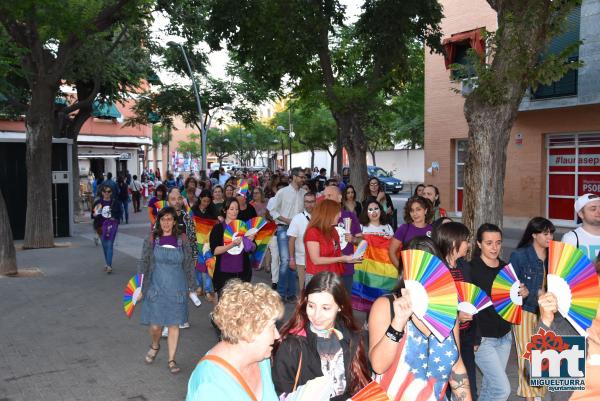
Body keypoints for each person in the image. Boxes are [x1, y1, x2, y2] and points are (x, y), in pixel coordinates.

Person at [368, 236, 472, 401]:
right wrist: (398, 322)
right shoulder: (386, 306)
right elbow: (378, 366)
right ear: (406, 271)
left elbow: (457, 366)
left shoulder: (448, 312)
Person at [272, 272, 371, 401]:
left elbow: (360, 386)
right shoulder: (291, 346)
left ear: (340, 307)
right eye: (311, 306)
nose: (316, 316)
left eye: (325, 308)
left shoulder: (353, 339)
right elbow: (281, 393)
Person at [186, 280, 284, 400]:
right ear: (249, 331)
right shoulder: (210, 385)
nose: (277, 335)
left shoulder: (261, 359)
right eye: (272, 327)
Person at [137, 207, 197, 374]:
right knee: (155, 326)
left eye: (169, 219)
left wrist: (192, 285)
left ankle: (171, 359)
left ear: (174, 221)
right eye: (163, 219)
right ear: (159, 221)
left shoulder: (182, 239)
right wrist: (140, 286)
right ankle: (155, 345)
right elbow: (144, 262)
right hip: (156, 288)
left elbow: (188, 264)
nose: (166, 223)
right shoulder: (152, 238)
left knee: (173, 324)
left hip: (177, 289)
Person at [510, 216, 555, 401]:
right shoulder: (520, 255)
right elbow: (510, 285)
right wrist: (521, 290)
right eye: (545, 233)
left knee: (544, 353)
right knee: (526, 353)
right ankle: (530, 396)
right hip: (525, 311)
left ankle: (540, 394)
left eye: (551, 233)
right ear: (534, 234)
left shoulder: (554, 256)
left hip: (547, 313)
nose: (550, 237)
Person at [432, 222, 477, 401]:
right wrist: (456, 317)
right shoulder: (437, 270)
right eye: (465, 240)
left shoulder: (465, 267)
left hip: (465, 338)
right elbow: (432, 309)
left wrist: (476, 336)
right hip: (444, 339)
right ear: (453, 243)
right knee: (445, 390)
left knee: (469, 387)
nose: (468, 244)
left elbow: (472, 301)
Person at [469, 224, 513, 401]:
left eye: (498, 242)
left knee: (490, 387)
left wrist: (521, 294)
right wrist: (473, 337)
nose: (495, 247)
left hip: (505, 336)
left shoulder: (506, 268)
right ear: (479, 244)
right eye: (489, 243)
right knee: (502, 390)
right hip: (482, 339)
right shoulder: (470, 269)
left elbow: (511, 302)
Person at [267, 167, 307, 302]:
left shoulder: (304, 193)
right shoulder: (282, 192)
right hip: (283, 228)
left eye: (304, 177)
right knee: (285, 260)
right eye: (301, 177)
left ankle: (290, 294)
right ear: (294, 177)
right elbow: (272, 211)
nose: (303, 179)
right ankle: (280, 293)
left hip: (299, 231)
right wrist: (287, 220)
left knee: (293, 261)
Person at [304, 199, 360, 285]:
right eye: (337, 212)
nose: (340, 215)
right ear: (328, 214)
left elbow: (337, 253)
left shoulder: (333, 230)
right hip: (317, 278)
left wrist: (349, 258)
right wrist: (342, 259)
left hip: (333, 277)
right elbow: (316, 260)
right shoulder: (312, 232)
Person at [209, 198, 257, 295]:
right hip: (224, 273)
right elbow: (215, 251)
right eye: (231, 209)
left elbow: (253, 248)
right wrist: (232, 244)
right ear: (225, 210)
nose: (234, 211)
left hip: (242, 273)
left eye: (236, 209)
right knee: (225, 306)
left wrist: (250, 242)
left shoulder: (244, 227)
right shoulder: (218, 228)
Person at [323, 185, 362, 295]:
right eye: (324, 195)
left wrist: (353, 239)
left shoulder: (350, 216)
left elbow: (361, 241)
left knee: (344, 302)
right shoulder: (321, 218)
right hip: (327, 267)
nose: (326, 198)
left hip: (346, 268)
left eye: (329, 195)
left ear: (340, 198)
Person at [388, 196, 433, 270]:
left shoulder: (433, 230)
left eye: (418, 209)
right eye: (412, 210)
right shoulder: (404, 228)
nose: (415, 214)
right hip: (408, 274)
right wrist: (402, 271)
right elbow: (391, 252)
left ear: (425, 210)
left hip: (427, 274)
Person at [287, 192, 316, 293]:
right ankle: (302, 307)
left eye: (312, 202)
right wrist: (291, 259)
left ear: (315, 202)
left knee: (315, 289)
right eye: (307, 202)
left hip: (317, 259)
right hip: (301, 260)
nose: (309, 204)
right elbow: (291, 240)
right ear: (304, 203)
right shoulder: (297, 218)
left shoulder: (320, 218)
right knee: (303, 290)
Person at [92, 184, 123, 274]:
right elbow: (93, 215)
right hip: (101, 227)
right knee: (104, 245)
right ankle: (107, 263)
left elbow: (120, 213)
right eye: (105, 191)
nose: (107, 193)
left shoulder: (115, 202)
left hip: (111, 227)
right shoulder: (99, 203)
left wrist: (115, 218)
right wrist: (94, 214)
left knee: (109, 245)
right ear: (102, 193)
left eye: (109, 191)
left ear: (111, 193)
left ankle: (109, 265)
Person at [562, 193, 600, 260]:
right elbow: (565, 269)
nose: (599, 211)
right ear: (581, 214)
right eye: (593, 209)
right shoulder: (571, 239)